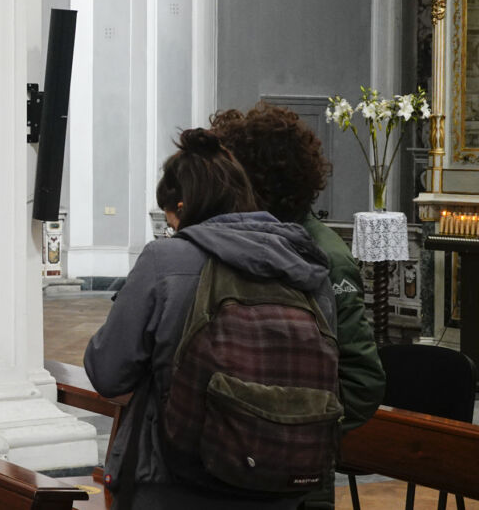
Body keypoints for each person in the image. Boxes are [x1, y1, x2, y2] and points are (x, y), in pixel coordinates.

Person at [85, 128, 336, 509]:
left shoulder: (165, 260)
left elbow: (107, 371)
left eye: (171, 222)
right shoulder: (304, 264)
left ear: (183, 207)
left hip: (176, 486)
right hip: (281, 483)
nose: (172, 231)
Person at [210, 103, 385, 510]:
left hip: (296, 480)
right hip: (232, 470)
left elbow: (361, 381)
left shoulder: (325, 256)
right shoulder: (241, 242)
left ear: (257, 181)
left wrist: (287, 426)